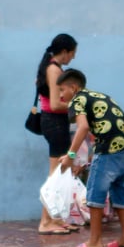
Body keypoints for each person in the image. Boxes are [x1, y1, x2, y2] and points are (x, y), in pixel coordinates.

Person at [58, 69, 124, 247]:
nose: (61, 95)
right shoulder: (98, 95)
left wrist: (70, 156)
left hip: (108, 149)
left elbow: (83, 127)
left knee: (94, 195)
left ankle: (95, 241)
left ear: (74, 87)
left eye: (62, 90)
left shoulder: (78, 99)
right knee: (119, 191)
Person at [35, 33, 78, 235]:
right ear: (65, 51)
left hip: (55, 122)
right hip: (54, 122)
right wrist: (77, 105)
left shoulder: (53, 67)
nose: (73, 58)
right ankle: (45, 221)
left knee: (59, 173)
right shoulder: (53, 69)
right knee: (55, 174)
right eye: (72, 53)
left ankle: (54, 219)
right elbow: (54, 104)